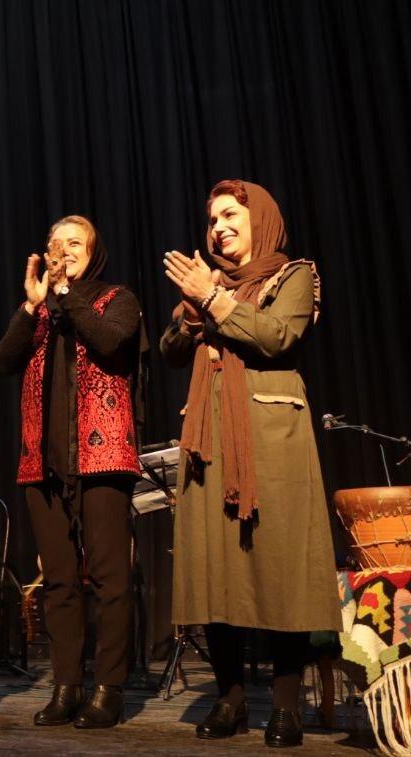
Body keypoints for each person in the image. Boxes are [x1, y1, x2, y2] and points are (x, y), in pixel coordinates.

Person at [162, 180, 339, 748]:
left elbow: (277, 337)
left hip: (273, 440)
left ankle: (285, 706)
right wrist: (195, 310)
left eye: (230, 215)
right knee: (214, 568)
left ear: (259, 218)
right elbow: (170, 350)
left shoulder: (294, 276)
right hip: (210, 441)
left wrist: (215, 302)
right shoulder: (209, 285)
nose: (218, 227)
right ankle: (230, 699)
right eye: (212, 219)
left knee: (282, 567)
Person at [0, 215, 144, 729]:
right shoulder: (40, 311)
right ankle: (66, 686)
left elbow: (110, 342)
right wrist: (31, 305)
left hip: (102, 459)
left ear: (93, 252)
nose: (64, 252)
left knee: (109, 579)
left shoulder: (116, 298)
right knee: (58, 582)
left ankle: (109, 688)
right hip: (43, 462)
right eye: (56, 244)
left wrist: (65, 294)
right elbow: (3, 360)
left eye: (75, 243)